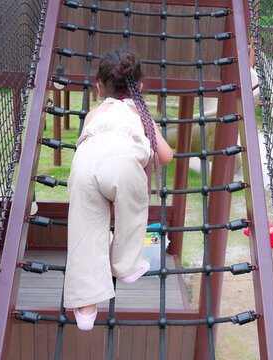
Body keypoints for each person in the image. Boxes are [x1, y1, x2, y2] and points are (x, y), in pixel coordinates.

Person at [64, 50, 174, 330]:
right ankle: (127, 266)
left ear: (99, 87)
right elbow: (165, 156)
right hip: (122, 163)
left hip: (85, 163)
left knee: (85, 229)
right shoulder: (140, 114)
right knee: (133, 212)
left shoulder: (95, 113)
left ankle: (86, 309)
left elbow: (91, 145)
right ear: (139, 87)